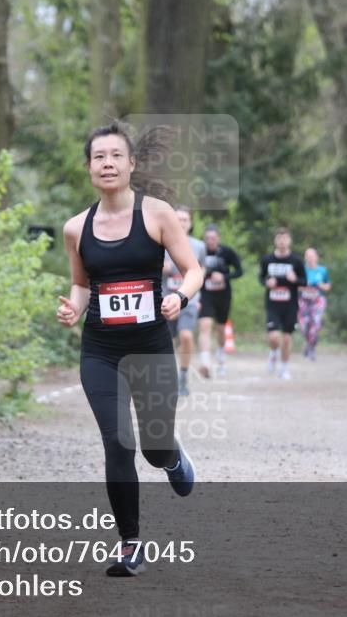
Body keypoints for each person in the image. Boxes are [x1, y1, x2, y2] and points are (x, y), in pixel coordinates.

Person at [57, 121, 203, 577]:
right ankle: (130, 544)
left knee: (153, 448)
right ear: (89, 168)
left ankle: (172, 457)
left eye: (115, 155)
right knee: (117, 443)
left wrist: (180, 296)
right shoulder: (76, 227)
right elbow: (82, 285)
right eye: (98, 157)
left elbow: (193, 269)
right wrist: (72, 308)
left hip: (151, 347)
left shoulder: (157, 214)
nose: (107, 163)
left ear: (131, 164)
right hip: (100, 351)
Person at [162, 206, 206, 396]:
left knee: (186, 336)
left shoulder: (198, 246)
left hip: (188, 300)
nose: (181, 223)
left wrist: (197, 295)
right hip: (165, 299)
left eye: (185, 220)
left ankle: (184, 376)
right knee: (167, 341)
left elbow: (200, 271)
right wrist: (164, 268)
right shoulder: (160, 242)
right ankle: (169, 377)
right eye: (177, 219)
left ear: (190, 223)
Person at [259, 227, 306, 380]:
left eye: (285, 238)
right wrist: (267, 282)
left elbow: (304, 281)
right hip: (273, 304)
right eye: (279, 238)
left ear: (290, 241)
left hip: (290, 305)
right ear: (275, 241)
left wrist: (295, 280)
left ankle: (285, 368)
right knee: (273, 337)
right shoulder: (267, 259)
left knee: (286, 338)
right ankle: (273, 353)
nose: (282, 241)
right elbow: (261, 278)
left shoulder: (296, 260)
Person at [196, 224, 243, 378]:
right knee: (205, 325)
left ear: (218, 238)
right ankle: (205, 364)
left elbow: (239, 271)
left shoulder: (227, 252)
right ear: (204, 239)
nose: (210, 241)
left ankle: (221, 358)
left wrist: (224, 277)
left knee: (221, 328)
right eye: (208, 238)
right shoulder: (199, 252)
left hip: (223, 295)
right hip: (205, 295)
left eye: (213, 238)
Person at [297, 247, 331, 360]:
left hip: (317, 299)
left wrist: (320, 285)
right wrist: (304, 286)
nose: (310, 258)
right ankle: (309, 343)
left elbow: (328, 286)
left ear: (316, 257)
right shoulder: (301, 270)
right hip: (303, 299)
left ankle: (311, 349)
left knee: (315, 324)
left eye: (312, 256)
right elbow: (296, 285)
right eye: (308, 256)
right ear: (305, 258)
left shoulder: (322, 270)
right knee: (304, 325)